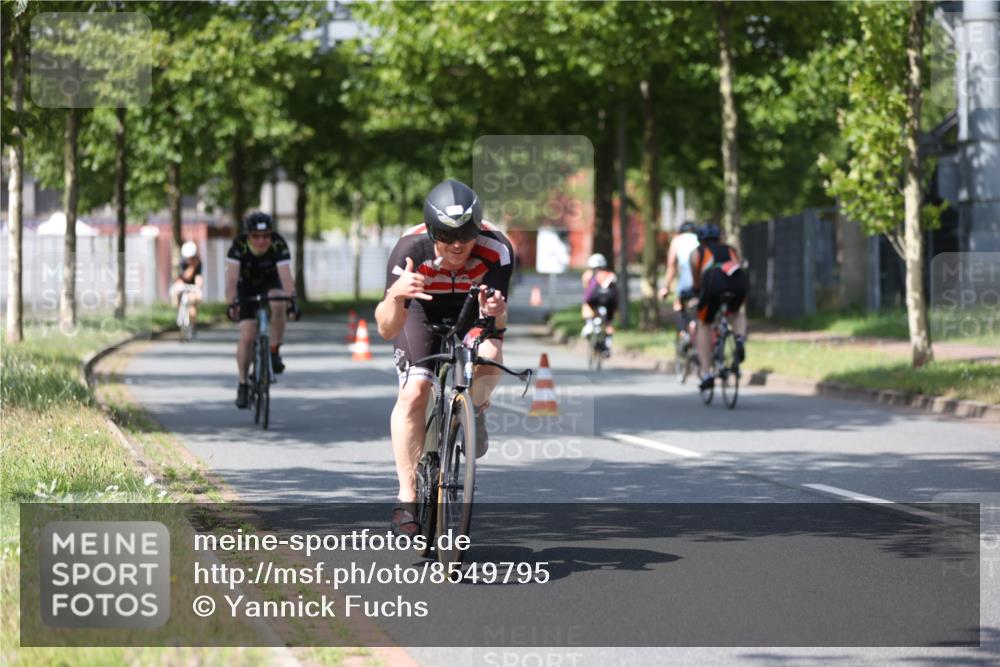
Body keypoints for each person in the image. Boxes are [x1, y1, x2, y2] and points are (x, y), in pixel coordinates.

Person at [374, 179, 513, 536]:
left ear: (478, 229)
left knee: (489, 355)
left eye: (464, 237)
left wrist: (496, 310)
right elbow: (386, 329)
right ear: (432, 231)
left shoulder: (497, 250)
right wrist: (395, 296)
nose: (456, 246)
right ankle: (406, 497)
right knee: (415, 391)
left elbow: (499, 322)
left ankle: (476, 408)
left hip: (471, 309)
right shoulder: (410, 249)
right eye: (446, 237)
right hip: (421, 313)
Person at [225, 212, 299, 409]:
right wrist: (232, 303)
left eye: (266, 235)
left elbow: (285, 277)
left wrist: (293, 301)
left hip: (270, 281)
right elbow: (232, 280)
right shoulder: (238, 246)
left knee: (278, 302)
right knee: (247, 335)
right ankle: (243, 384)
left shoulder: (278, 244)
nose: (261, 241)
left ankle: (274, 350)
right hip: (246, 285)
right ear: (248, 235)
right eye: (256, 237)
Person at [691, 223, 748, 391]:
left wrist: (696, 291)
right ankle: (739, 338)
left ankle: (706, 372)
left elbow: (697, 281)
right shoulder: (730, 250)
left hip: (713, 285)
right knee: (737, 313)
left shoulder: (698, 252)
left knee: (704, 323)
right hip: (737, 284)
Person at [659, 221, 701, 351]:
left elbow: (672, 266)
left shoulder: (677, 241)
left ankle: (683, 334)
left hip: (687, 282)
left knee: (678, 305)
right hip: (704, 282)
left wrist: (665, 287)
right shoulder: (701, 240)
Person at [580, 253, 618, 355]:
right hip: (609, 301)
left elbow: (586, 290)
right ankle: (608, 346)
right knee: (609, 324)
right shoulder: (610, 275)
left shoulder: (587, 275)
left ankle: (588, 324)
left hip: (594, 301)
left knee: (587, 304)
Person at [171, 241, 204, 330]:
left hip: (192, 287)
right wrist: (193, 266)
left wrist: (199, 287)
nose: (189, 260)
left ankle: (193, 324)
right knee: (176, 294)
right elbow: (184, 277)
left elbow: (198, 277)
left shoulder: (198, 262)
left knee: (193, 301)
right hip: (182, 284)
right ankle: (179, 312)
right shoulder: (181, 262)